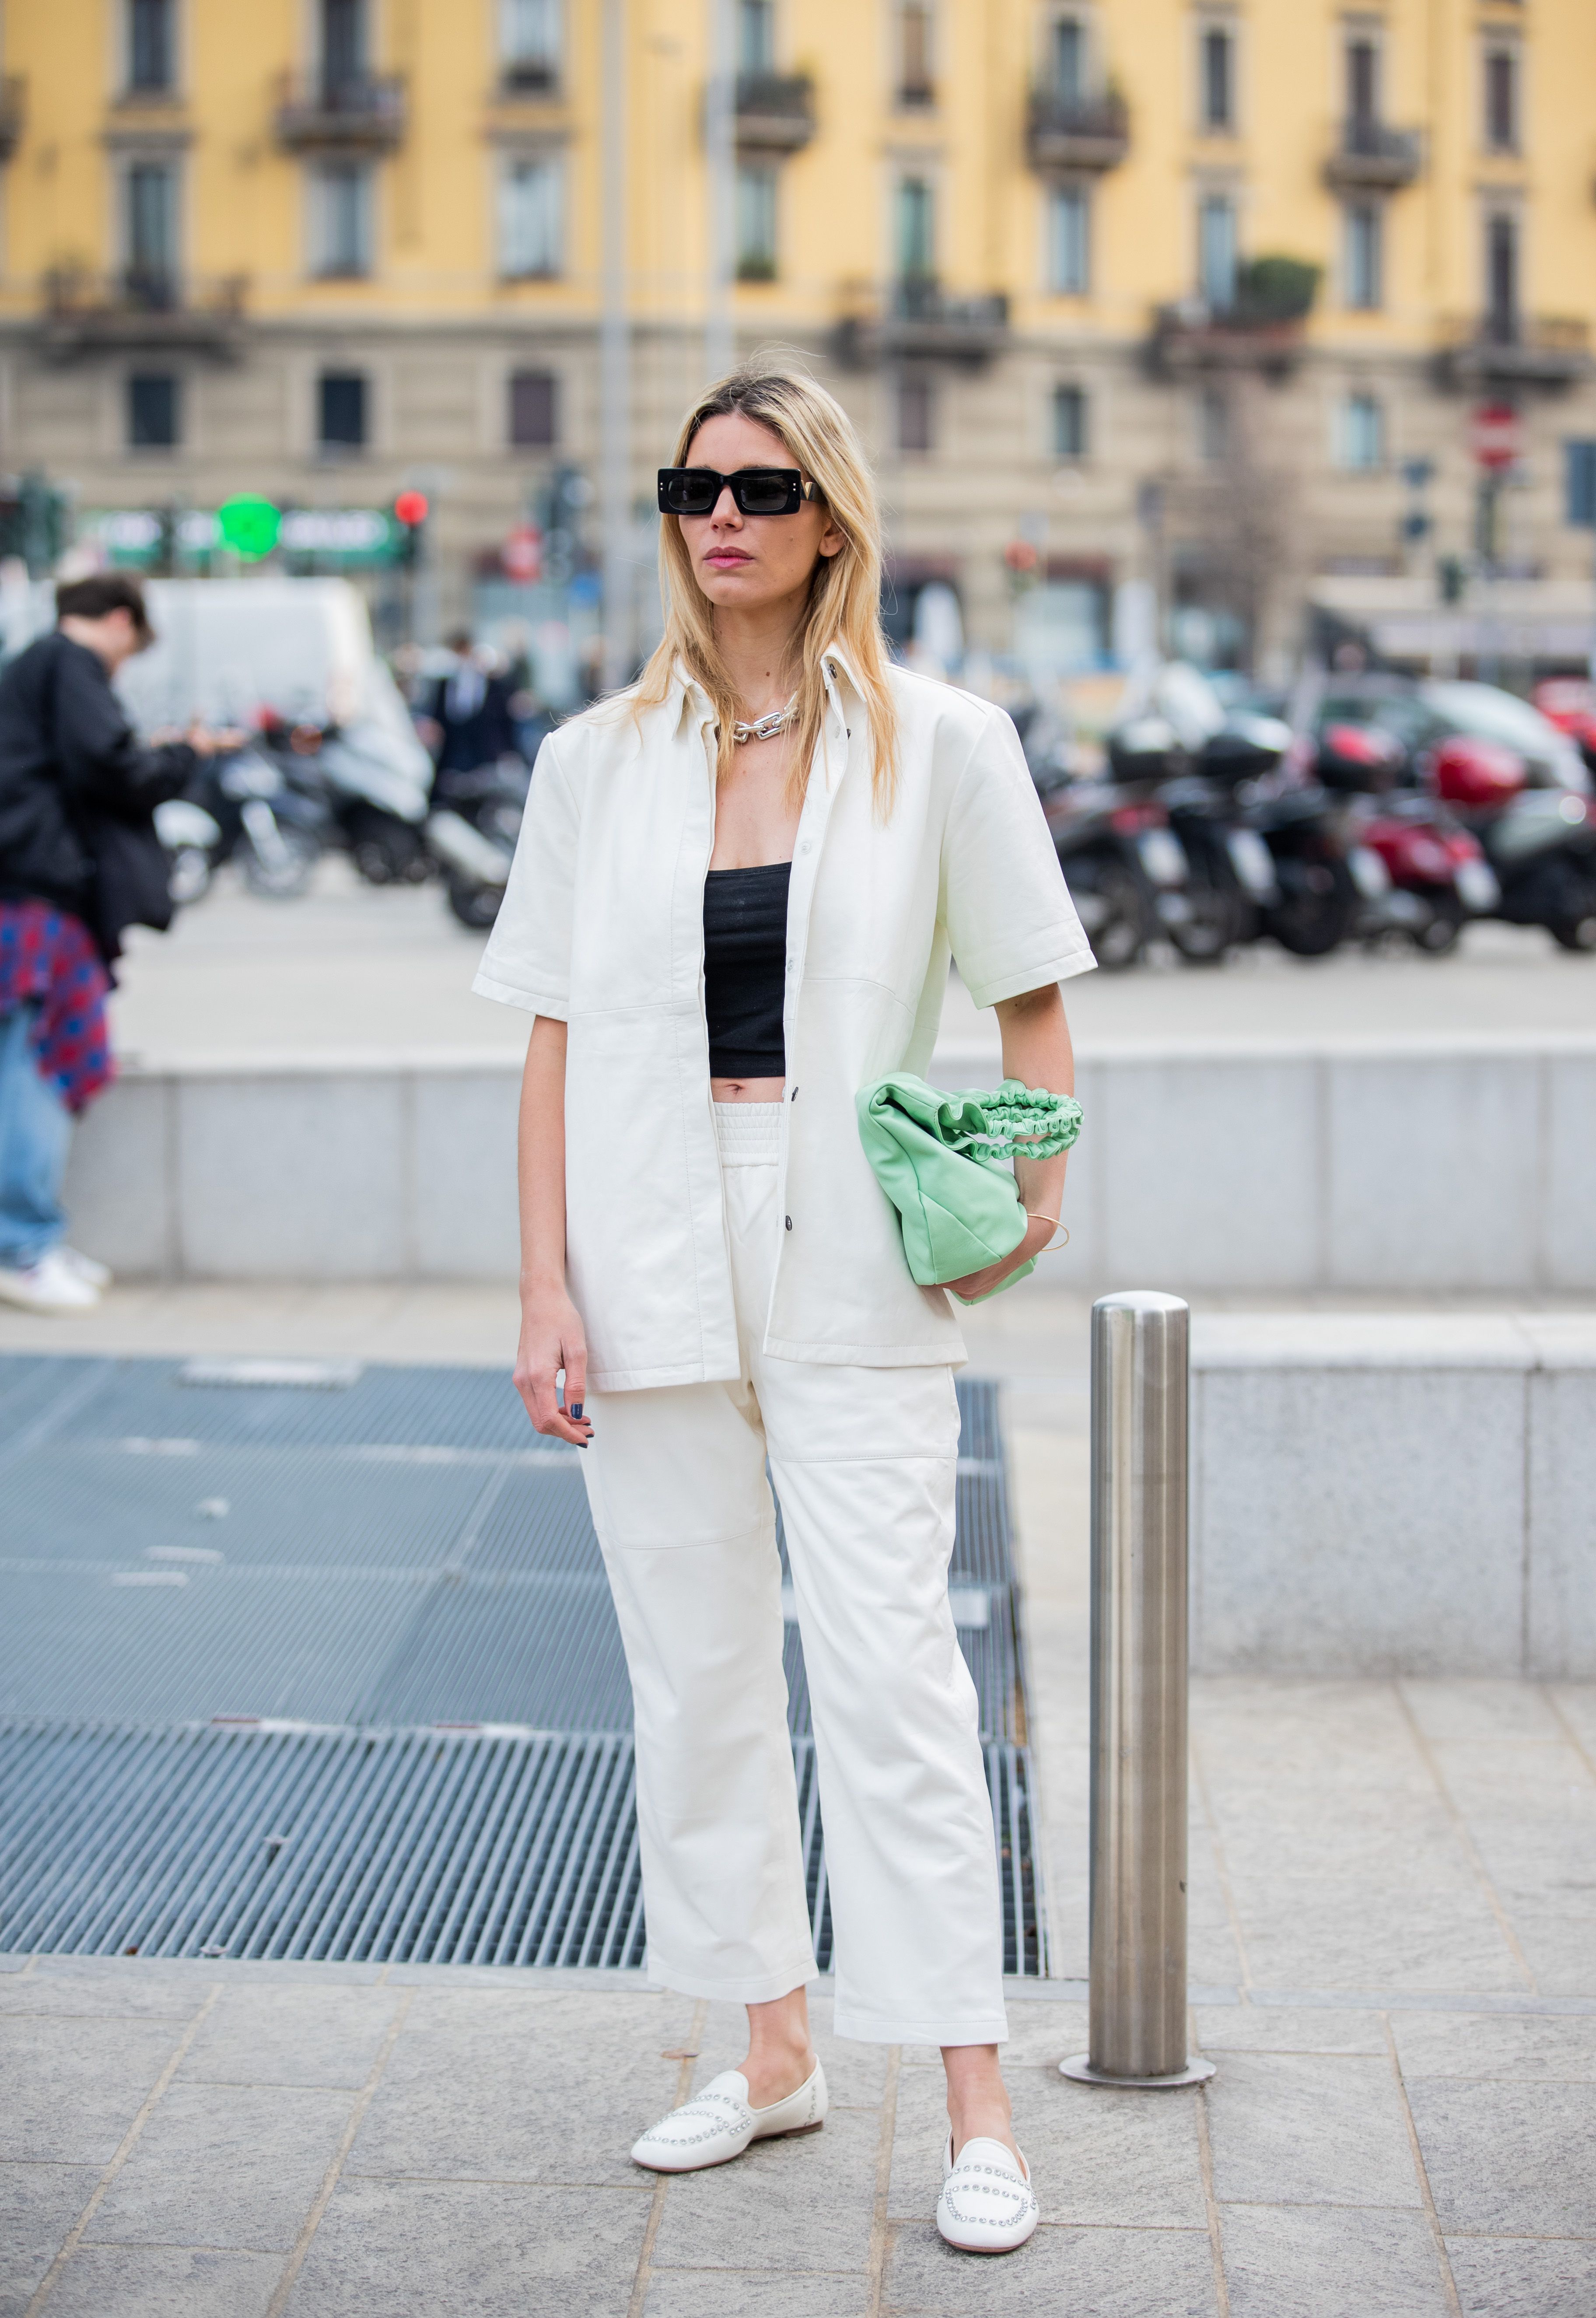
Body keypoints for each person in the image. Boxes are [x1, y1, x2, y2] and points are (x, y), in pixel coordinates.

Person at [474, 361, 1094, 2255]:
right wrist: (540, 1288)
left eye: (756, 485)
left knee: (893, 1673)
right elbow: (552, 1044)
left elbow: (1029, 987)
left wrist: (1028, 1197)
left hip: (845, 1239)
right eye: (689, 487)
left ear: (828, 514)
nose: (717, 514)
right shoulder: (596, 760)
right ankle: (764, 2047)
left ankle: (973, 2096)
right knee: (693, 1672)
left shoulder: (942, 742)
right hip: (646, 1234)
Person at [0, 572, 226, 1313]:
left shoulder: (30, 666)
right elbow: (110, 765)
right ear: (122, 623)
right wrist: (184, 756)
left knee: (30, 1057)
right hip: (39, 896)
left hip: (26, 891)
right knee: (36, 1064)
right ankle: (24, 1245)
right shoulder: (69, 662)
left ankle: (31, 1238)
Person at [416, 629, 521, 803]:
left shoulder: (492, 684)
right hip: (452, 760)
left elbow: (503, 721)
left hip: (484, 758)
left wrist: (508, 752)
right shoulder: (444, 685)